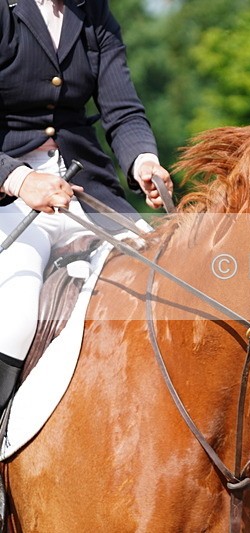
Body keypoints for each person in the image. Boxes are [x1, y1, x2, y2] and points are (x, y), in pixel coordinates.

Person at [0, 0, 172, 412]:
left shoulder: (92, 10)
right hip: (9, 196)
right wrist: (20, 179)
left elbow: (123, 110)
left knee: (167, 282)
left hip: (87, 192)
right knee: (17, 314)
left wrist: (144, 162)